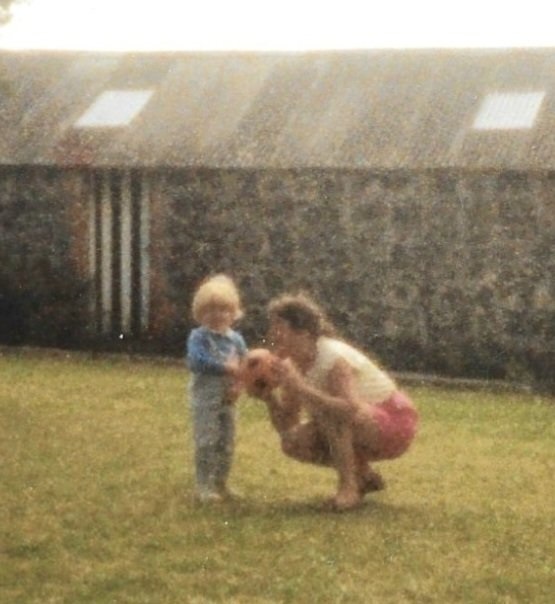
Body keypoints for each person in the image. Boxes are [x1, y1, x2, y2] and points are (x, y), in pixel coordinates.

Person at [257, 293, 418, 511]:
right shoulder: (291, 364)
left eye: (280, 326)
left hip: (395, 422)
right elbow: (288, 426)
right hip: (361, 423)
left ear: (304, 332)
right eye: (272, 326)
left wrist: (301, 389)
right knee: (293, 442)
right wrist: (268, 397)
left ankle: (348, 489)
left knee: (331, 413)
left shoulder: (331, 357)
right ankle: (364, 476)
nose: (273, 334)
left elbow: (349, 408)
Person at [186, 274, 248, 503]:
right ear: (200, 313)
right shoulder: (198, 337)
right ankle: (204, 486)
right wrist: (226, 368)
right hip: (205, 399)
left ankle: (221, 482)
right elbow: (196, 361)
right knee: (206, 441)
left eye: (223, 310)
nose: (217, 315)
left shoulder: (236, 340)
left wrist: (239, 385)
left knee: (227, 442)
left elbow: (245, 366)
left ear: (233, 313)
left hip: (228, 399)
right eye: (210, 310)